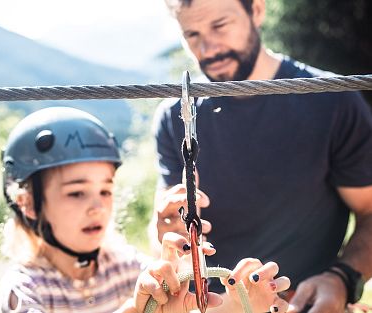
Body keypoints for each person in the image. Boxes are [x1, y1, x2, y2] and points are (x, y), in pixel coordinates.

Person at [150, 0, 372, 312]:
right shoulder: (178, 116)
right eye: (192, 34)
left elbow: (370, 210)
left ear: (256, 10)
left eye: (220, 26)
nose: (209, 48)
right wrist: (164, 228)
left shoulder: (331, 100)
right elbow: (165, 232)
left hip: (305, 303)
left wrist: (342, 278)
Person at [0, 106, 290, 313]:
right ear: (28, 204)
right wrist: (134, 309)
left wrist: (237, 304)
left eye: (106, 190)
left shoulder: (125, 267)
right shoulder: (24, 289)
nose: (97, 206)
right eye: (76, 193)